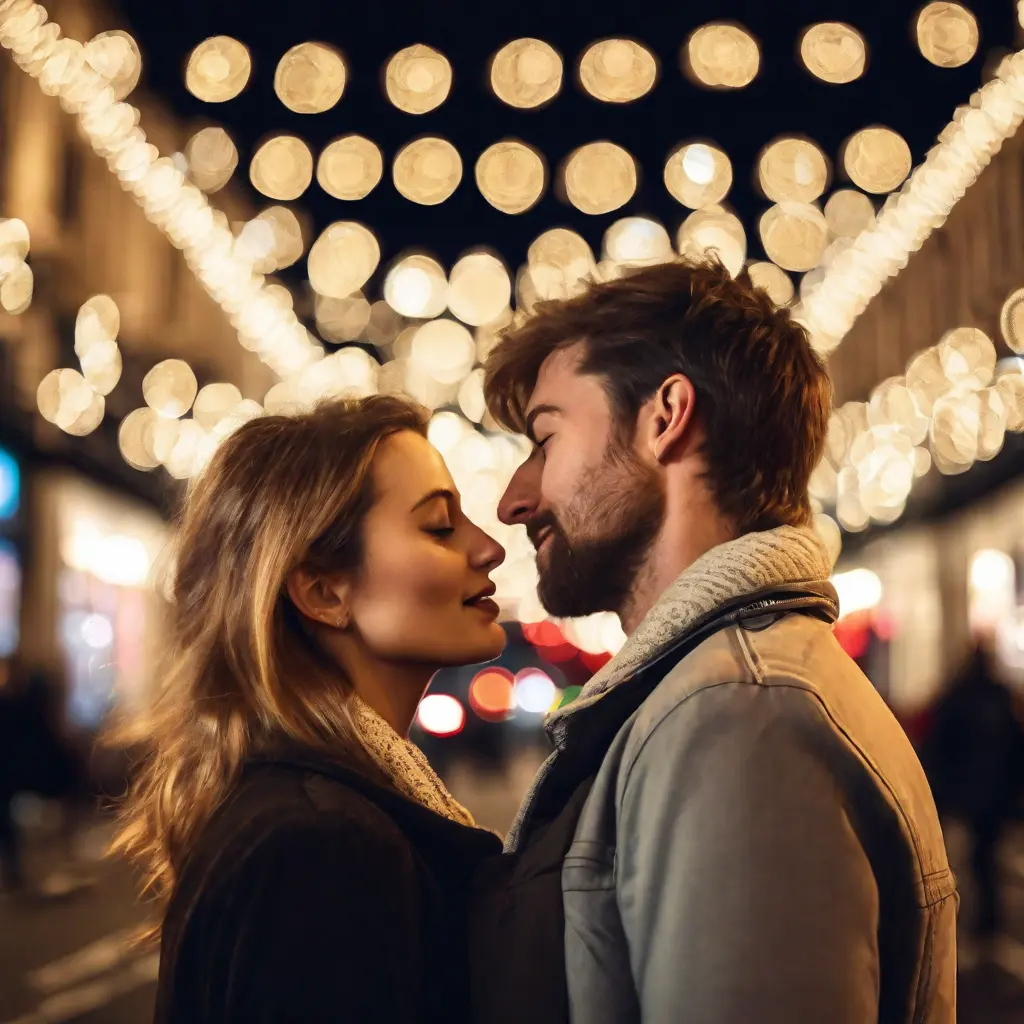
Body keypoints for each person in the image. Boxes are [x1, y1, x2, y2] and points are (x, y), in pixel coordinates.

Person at [472, 258, 956, 1024]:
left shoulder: (739, 714)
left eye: (544, 439)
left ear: (666, 416)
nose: (513, 500)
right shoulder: (716, 696)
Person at [111, 396, 506, 1024]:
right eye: (438, 526)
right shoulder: (319, 842)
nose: (489, 548)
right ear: (323, 592)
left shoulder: (328, 810)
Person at [922, 640, 1024, 955]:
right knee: (986, 855)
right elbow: (1016, 748)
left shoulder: (957, 696)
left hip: (968, 791)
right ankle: (988, 920)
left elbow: (940, 746)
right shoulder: (1000, 696)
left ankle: (980, 921)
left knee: (972, 857)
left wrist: (942, 789)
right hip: (995, 793)